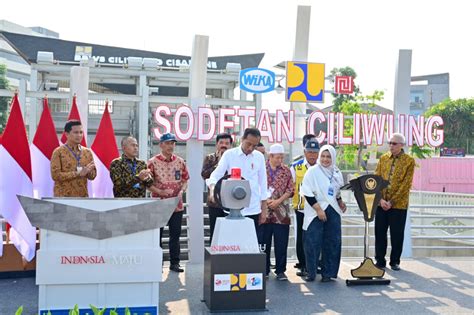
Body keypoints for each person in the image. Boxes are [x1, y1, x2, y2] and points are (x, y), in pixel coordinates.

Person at [300, 145, 347, 282]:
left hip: (333, 210)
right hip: (316, 210)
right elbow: (306, 192)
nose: (325, 159)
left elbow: (337, 192)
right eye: (323, 156)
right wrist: (319, 209)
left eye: (329, 157)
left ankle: (328, 273)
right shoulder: (313, 171)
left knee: (333, 242)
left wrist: (340, 202)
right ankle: (311, 272)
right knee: (312, 242)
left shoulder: (337, 172)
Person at [207, 128, 268, 231]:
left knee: (250, 244)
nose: (250, 148)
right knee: (232, 242)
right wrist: (213, 190)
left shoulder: (259, 157)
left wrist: (264, 208)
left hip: (253, 208)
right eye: (248, 144)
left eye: (254, 146)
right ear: (242, 139)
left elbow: (263, 182)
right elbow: (215, 176)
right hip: (232, 207)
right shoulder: (229, 155)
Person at [148, 133, 190, 273]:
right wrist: (159, 192)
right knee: (157, 236)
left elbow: (185, 180)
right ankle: (156, 264)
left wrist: (181, 191)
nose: (170, 146)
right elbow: (146, 183)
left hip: (176, 205)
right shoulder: (152, 162)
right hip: (159, 204)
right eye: (167, 143)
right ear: (161, 145)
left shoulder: (180, 161)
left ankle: (175, 263)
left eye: (172, 143)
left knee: (175, 235)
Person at [374, 133, 415, 271]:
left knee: (397, 234)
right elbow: (376, 179)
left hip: (399, 204)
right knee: (380, 233)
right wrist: (380, 200)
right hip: (381, 203)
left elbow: (406, 185)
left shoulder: (409, 161)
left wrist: (391, 201)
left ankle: (395, 261)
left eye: (394, 143)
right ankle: (379, 261)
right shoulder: (383, 158)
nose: (391, 145)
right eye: (390, 143)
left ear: (402, 145)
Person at [259, 144, 294, 280]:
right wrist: (266, 201)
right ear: (270, 156)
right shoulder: (261, 169)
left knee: (281, 242)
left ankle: (280, 270)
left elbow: (290, 190)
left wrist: (278, 201)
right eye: (277, 157)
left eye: (282, 157)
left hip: (281, 213)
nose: (280, 160)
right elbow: (256, 186)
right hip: (264, 212)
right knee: (264, 242)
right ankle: (264, 269)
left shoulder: (286, 170)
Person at [290, 138, 320, 276]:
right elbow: (290, 187)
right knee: (302, 237)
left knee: (317, 237)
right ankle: (303, 264)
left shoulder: (322, 167)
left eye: (315, 152)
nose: (312, 155)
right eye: (310, 152)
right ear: (304, 152)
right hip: (301, 208)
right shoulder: (296, 167)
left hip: (318, 209)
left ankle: (316, 264)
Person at [201, 133, 233, 242]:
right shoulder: (210, 158)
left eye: (227, 143)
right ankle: (214, 257)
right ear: (217, 144)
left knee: (230, 233)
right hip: (214, 201)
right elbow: (204, 175)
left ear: (231, 145)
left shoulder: (234, 158)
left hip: (231, 201)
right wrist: (218, 164)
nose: (224, 145)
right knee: (215, 232)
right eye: (221, 143)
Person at [51, 120, 96, 197]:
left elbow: (93, 176)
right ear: (67, 134)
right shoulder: (58, 152)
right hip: (63, 198)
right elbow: (55, 175)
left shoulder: (87, 152)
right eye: (76, 132)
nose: (79, 135)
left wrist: (88, 172)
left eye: (81, 132)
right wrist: (77, 173)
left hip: (82, 197)